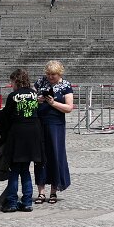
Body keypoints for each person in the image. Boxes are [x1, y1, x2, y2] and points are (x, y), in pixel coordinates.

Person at [0, 67, 42, 212]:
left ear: (16, 81)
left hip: (17, 136)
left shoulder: (14, 95)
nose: (11, 85)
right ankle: (27, 202)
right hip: (33, 135)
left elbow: (5, 116)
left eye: (11, 82)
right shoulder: (34, 94)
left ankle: (12, 202)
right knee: (25, 170)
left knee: (14, 171)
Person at [35, 60, 74, 204]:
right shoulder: (40, 82)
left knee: (55, 156)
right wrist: (37, 100)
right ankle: (41, 192)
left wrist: (53, 103)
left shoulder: (66, 85)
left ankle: (53, 190)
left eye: (53, 75)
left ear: (59, 74)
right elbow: (30, 98)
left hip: (56, 124)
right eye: (49, 74)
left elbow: (69, 107)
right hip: (40, 123)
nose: (50, 77)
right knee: (40, 156)